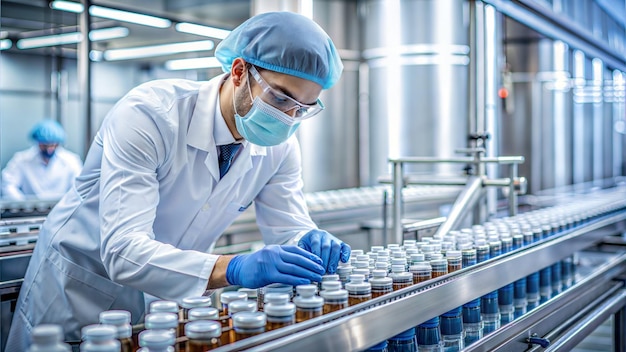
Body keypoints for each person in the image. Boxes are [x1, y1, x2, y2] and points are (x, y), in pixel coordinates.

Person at [7, 11, 350, 349]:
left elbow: (288, 228)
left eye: (302, 109)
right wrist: (231, 268)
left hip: (162, 302)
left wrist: (308, 239)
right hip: (80, 288)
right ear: (239, 71)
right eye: (279, 98)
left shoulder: (281, 148)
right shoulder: (149, 115)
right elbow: (124, 249)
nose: (288, 118)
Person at [1, 120, 83, 200]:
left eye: (53, 145)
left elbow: (78, 188)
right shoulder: (21, 159)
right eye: (45, 146)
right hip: (28, 211)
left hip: (63, 210)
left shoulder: (72, 160)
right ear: (38, 142)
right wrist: (23, 204)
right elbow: (8, 185)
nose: (49, 150)